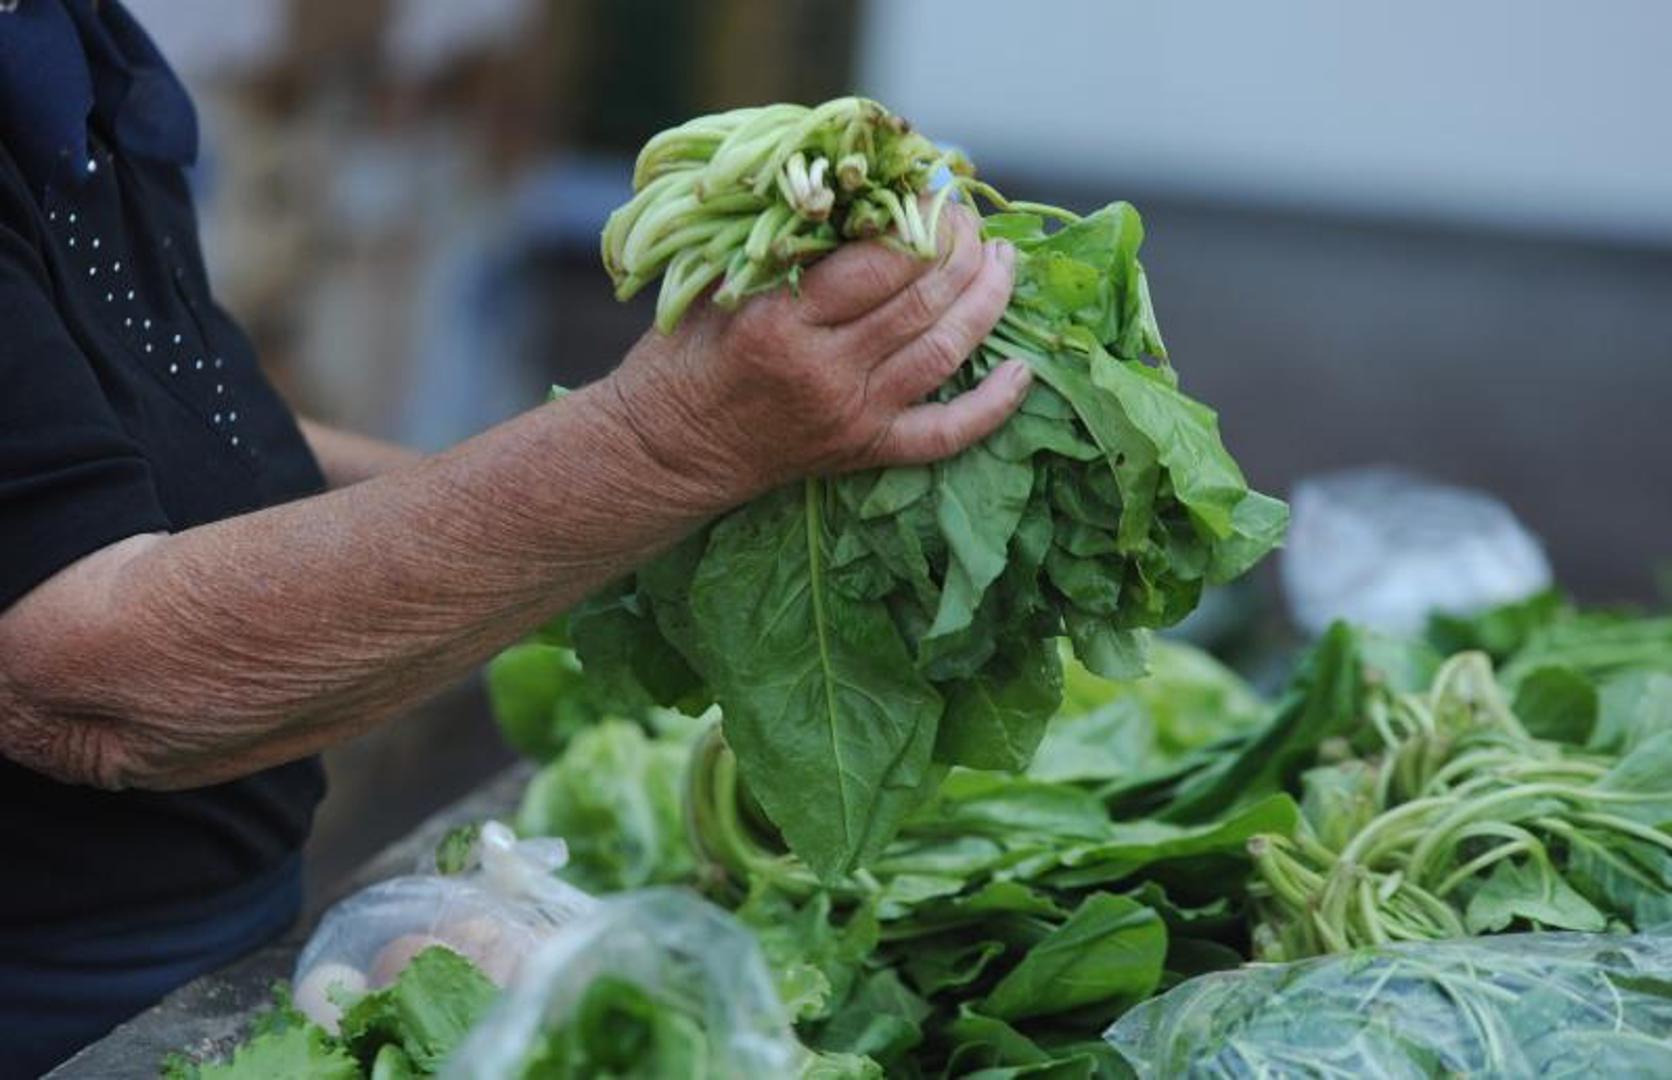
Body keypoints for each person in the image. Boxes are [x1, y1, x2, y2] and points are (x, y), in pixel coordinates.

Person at [0, 2, 1025, 1074]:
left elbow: (148, 445)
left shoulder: (71, 34)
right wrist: (664, 445)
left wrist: (668, 532)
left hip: (221, 929)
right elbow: (85, 681)